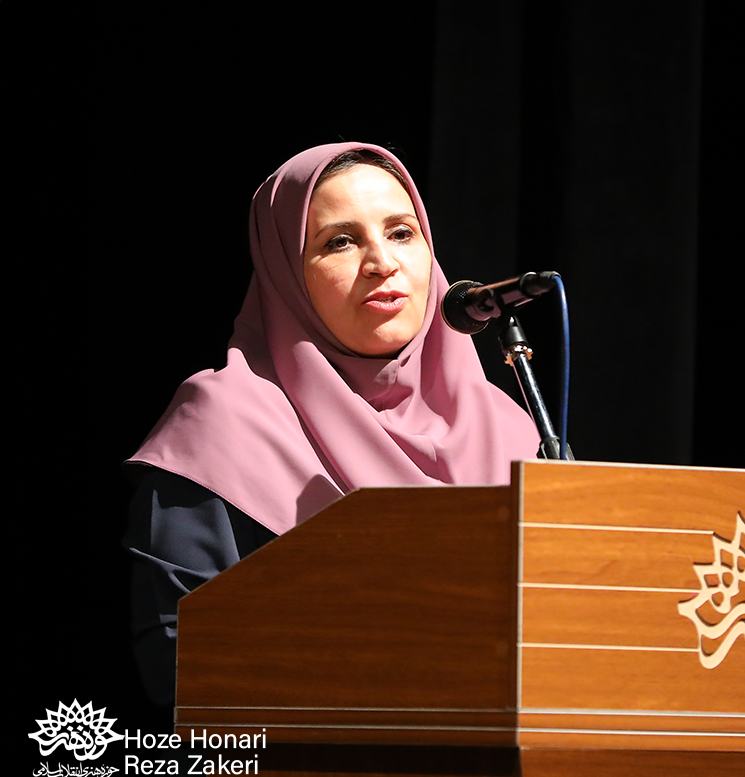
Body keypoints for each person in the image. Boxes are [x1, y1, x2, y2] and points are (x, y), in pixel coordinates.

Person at [123, 142, 540, 707]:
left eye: (402, 233)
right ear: (285, 273)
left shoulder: (510, 429)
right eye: (340, 242)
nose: (383, 263)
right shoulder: (219, 428)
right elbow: (181, 664)